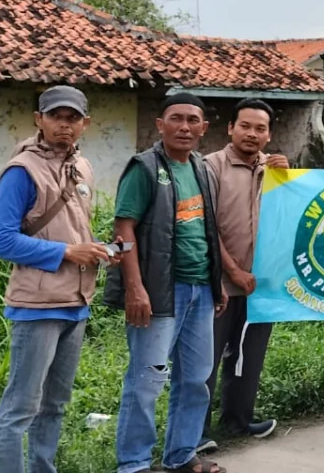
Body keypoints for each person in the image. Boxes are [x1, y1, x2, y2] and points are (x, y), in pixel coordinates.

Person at [0, 86, 118, 473]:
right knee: (21, 407)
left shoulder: (82, 167)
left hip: (76, 303)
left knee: (56, 404)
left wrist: (95, 249)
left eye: (73, 118)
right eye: (56, 116)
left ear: (86, 123)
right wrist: (66, 253)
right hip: (37, 306)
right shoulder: (22, 171)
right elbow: (2, 240)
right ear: (38, 119)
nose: (65, 124)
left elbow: (72, 229)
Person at [105, 93, 226, 473]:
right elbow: (123, 228)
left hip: (201, 291)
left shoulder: (202, 169)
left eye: (193, 120)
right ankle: (134, 464)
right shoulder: (144, 168)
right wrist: (135, 288)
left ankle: (181, 456)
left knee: (195, 381)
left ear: (204, 128)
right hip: (159, 291)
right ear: (161, 124)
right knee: (147, 381)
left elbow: (207, 231)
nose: (185, 127)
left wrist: (216, 279)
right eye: (176, 118)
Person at [198, 99, 289, 453]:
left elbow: (292, 209)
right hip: (220, 283)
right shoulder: (210, 168)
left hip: (261, 286)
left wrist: (288, 173)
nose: (252, 134)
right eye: (246, 126)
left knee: (248, 355)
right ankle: (197, 429)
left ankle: (238, 419)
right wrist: (232, 270)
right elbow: (206, 226)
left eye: (260, 128)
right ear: (230, 129)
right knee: (205, 358)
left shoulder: (274, 169)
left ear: (269, 135)